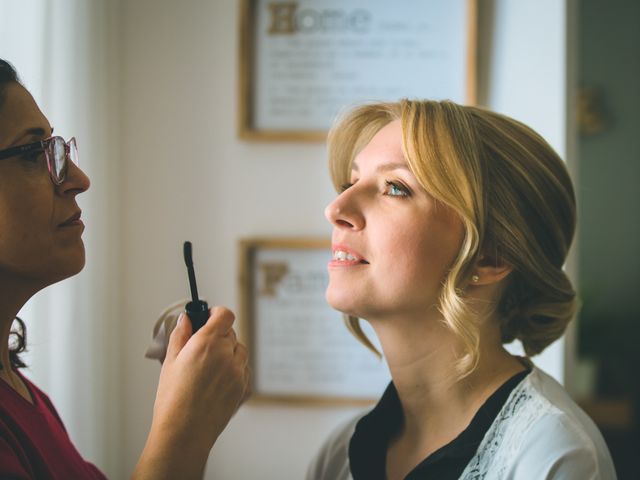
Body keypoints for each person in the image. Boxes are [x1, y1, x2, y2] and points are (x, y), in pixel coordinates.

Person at [307, 100, 617, 479]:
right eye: (350, 183)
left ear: (489, 257)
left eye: (395, 188)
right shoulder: (339, 454)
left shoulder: (555, 456)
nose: (336, 207)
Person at [0, 58, 250, 479]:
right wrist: (183, 430)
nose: (77, 178)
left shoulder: (26, 398)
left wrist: (193, 417)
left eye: (56, 151)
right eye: (31, 153)